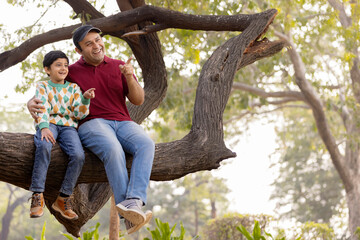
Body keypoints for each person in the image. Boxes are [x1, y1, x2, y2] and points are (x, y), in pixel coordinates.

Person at [27, 25, 155, 234]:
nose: (96, 45)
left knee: (147, 144)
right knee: (113, 150)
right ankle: (129, 216)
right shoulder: (72, 71)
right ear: (79, 51)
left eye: (98, 40)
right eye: (89, 44)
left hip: (123, 121)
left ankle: (133, 202)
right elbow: (51, 89)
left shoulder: (119, 65)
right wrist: (30, 103)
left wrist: (130, 76)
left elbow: (138, 100)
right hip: (92, 123)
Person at [29, 50, 95, 220]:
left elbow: (79, 115)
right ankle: (37, 195)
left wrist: (85, 99)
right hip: (48, 124)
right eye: (58, 65)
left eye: (65, 65)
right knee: (44, 146)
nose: (63, 68)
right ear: (47, 69)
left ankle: (63, 198)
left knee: (79, 155)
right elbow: (41, 107)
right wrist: (43, 127)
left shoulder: (73, 88)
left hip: (68, 127)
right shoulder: (43, 86)